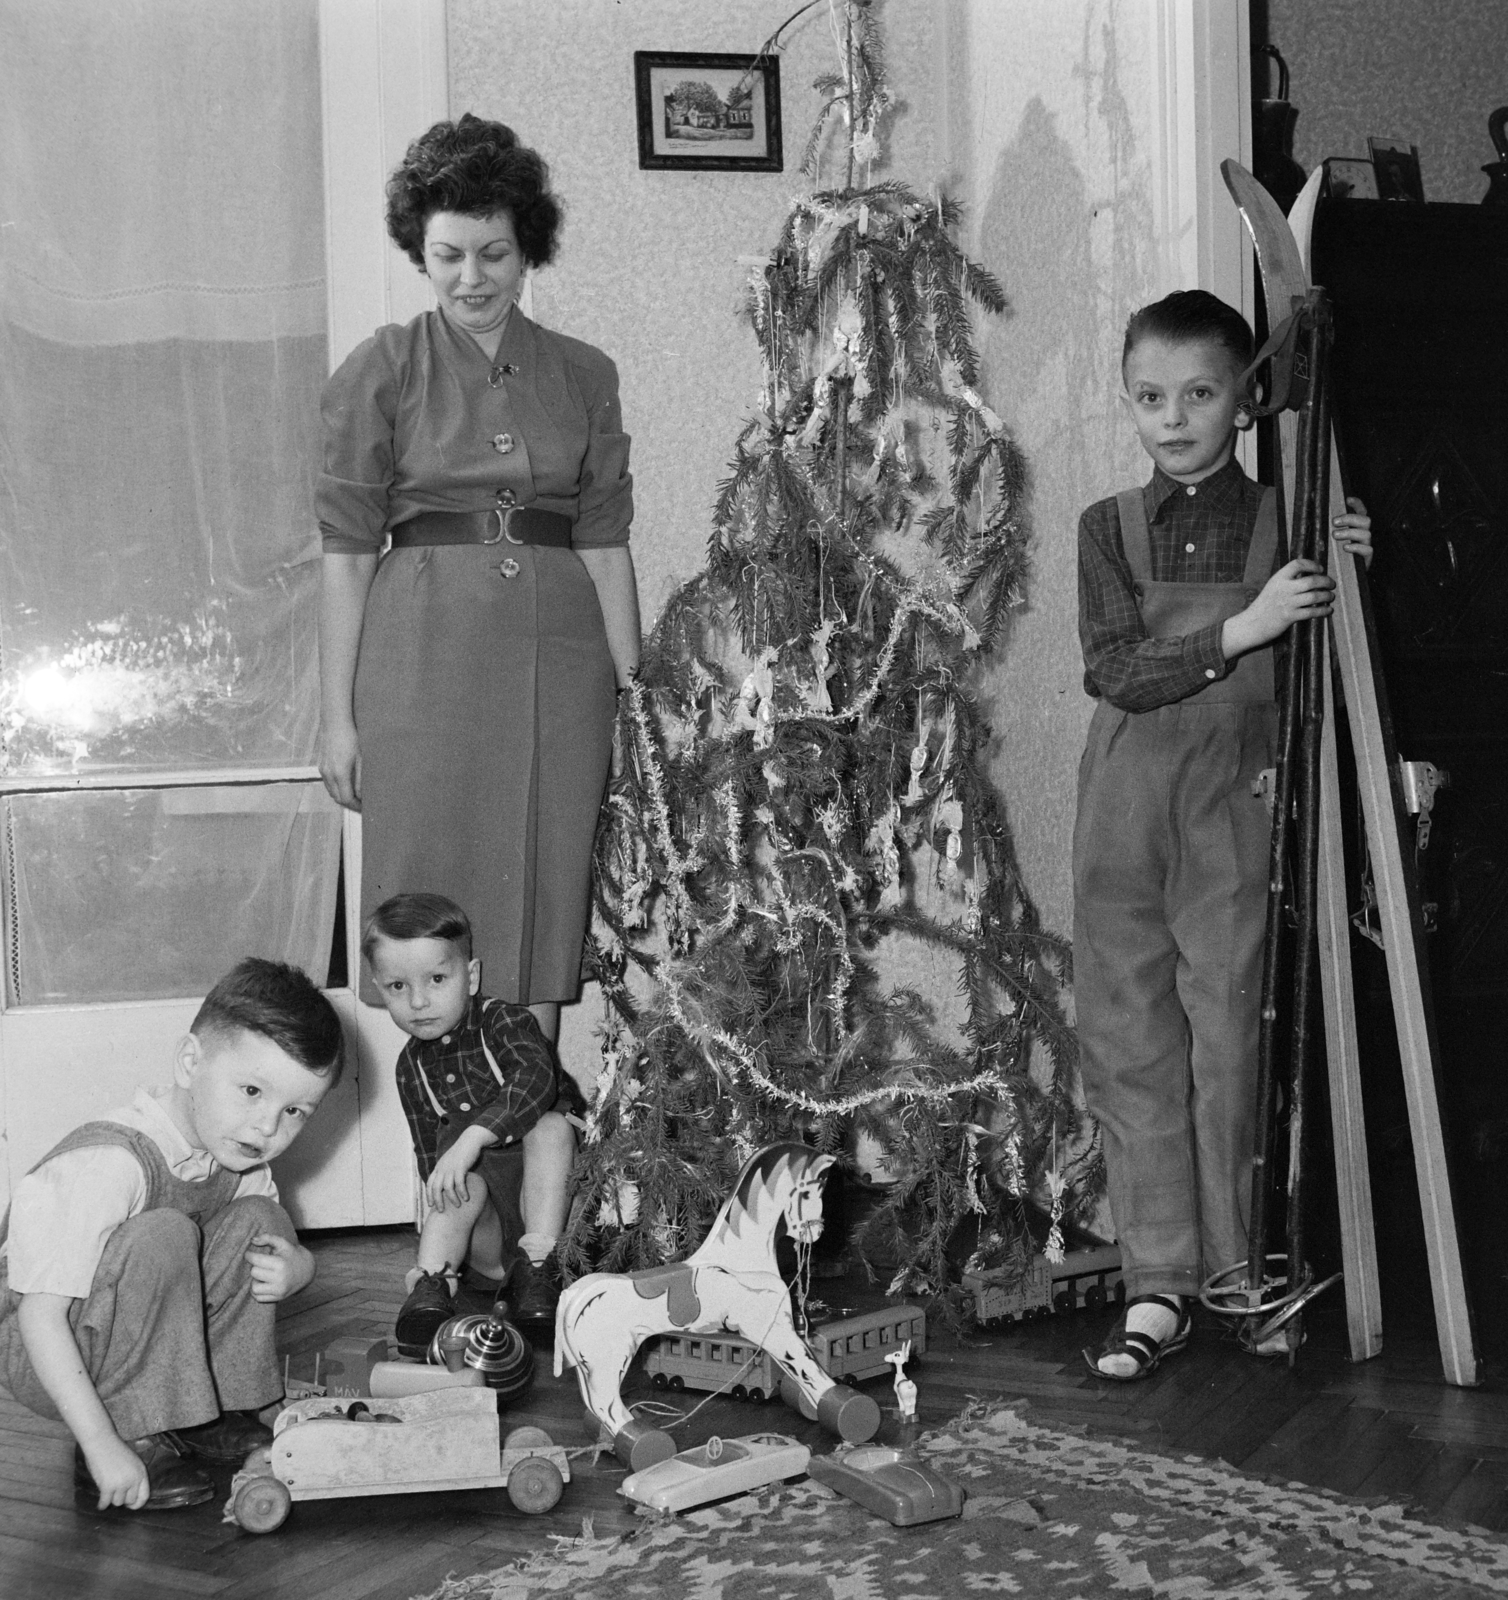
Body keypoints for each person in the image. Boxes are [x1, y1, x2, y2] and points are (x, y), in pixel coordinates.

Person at [1073, 290, 1372, 1380]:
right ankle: (1153, 1281)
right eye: (1149, 396)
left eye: (1198, 394)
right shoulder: (1104, 527)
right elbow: (1112, 667)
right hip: (1124, 798)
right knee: (1128, 1033)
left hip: (1235, 802)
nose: (1172, 416)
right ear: (1128, 399)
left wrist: (1347, 572)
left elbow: (1320, 670)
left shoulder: (1287, 522)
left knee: (1232, 1033)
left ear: (1243, 401)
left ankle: (1239, 1266)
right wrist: (1238, 628)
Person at [317, 112, 641, 1047]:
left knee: (539, 900)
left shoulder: (584, 374)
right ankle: (450, 1176)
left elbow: (607, 541)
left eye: (494, 253)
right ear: (419, 253)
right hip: (419, 667)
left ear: (526, 247)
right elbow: (344, 554)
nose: (472, 278)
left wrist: (635, 692)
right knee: (427, 920)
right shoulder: (378, 370)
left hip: (560, 662)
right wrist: (337, 716)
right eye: (449, 255)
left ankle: (528, 1147)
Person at [0, 959, 343, 1510]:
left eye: (295, 1110)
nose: (267, 1126)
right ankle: (131, 1427)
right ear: (189, 1062)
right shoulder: (110, 1163)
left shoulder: (240, 1159)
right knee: (163, 1234)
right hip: (49, 1349)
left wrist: (300, 1267)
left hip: (133, 1338)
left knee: (260, 1219)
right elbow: (39, 1318)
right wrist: (98, 1443)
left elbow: (273, 1248)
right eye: (251, 1090)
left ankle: (206, 1412)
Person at [364, 893, 581, 1347]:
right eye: (397, 987)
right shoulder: (411, 1066)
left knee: (551, 1126)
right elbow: (429, 1155)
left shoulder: (504, 1022)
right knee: (455, 1183)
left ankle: (539, 1270)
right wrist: (442, 1192)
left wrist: (472, 1140)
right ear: (379, 987)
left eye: (437, 978)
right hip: (487, 1246)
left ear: (472, 976)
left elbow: (536, 1082)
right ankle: (432, 1287)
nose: (419, 1001)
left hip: (549, 1217)